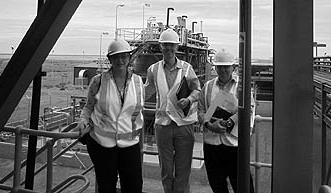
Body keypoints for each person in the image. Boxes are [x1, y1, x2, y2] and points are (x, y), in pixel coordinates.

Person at [76, 39, 144, 193]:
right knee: (106, 187)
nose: (120, 60)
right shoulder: (98, 81)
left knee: (134, 187)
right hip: (102, 144)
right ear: (110, 59)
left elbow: (137, 111)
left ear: (129, 58)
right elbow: (88, 107)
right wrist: (82, 121)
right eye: (115, 57)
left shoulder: (138, 82)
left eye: (124, 56)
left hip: (129, 143)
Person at [144, 28, 201, 193]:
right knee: (166, 171)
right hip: (163, 126)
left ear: (177, 47)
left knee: (183, 171)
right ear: (160, 47)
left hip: (184, 125)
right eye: (165, 45)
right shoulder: (153, 70)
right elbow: (145, 93)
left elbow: (197, 90)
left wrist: (189, 99)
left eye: (172, 45)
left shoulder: (187, 68)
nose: (169, 49)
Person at [198, 49, 255, 193]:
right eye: (219, 66)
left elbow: (250, 110)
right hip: (212, 146)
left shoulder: (242, 87)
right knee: (218, 187)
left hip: (234, 146)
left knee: (244, 187)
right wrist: (209, 124)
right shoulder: (207, 87)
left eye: (226, 66)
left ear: (233, 67)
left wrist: (230, 122)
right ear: (215, 67)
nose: (222, 70)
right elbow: (200, 111)